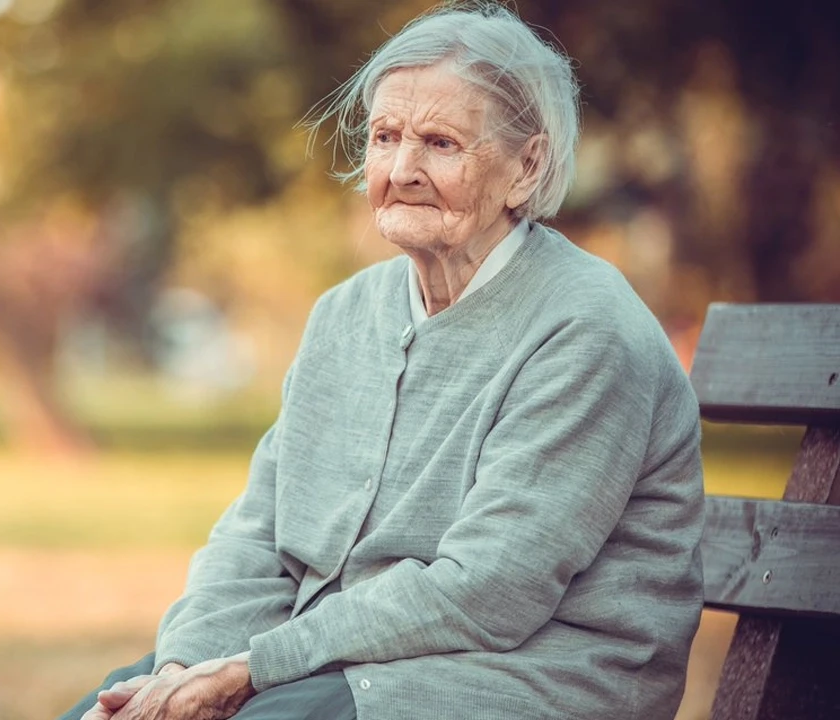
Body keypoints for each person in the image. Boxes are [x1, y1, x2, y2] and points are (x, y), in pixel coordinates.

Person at [61, 3, 705, 719]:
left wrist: (253, 668)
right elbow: (256, 536)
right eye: (385, 136)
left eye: (441, 143)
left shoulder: (586, 329)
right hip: (337, 660)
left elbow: (488, 592)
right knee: (110, 710)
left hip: (527, 674)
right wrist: (185, 662)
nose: (402, 169)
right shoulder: (344, 315)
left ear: (527, 167)